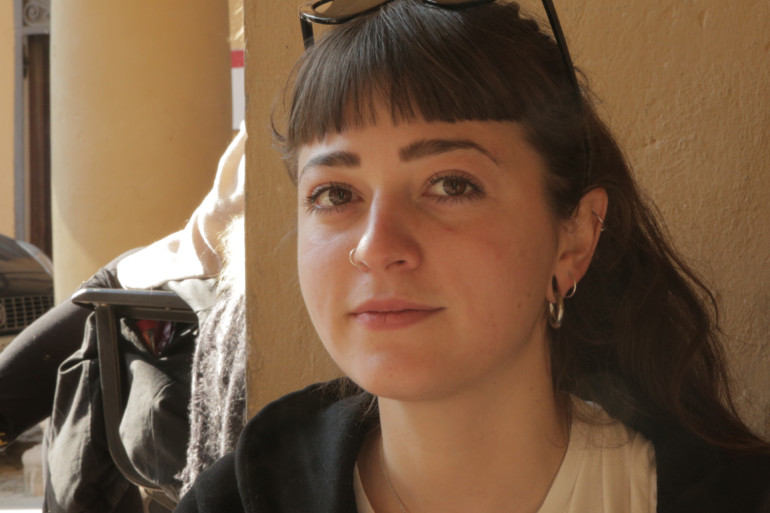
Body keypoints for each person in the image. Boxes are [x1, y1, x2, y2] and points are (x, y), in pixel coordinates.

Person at [175, 1, 770, 512]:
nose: (377, 246)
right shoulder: (234, 501)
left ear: (574, 240)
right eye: (335, 194)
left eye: (451, 185)